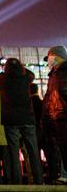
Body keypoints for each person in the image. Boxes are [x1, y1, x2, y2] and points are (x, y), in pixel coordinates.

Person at [0, 57, 43, 184]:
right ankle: (38, 181)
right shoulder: (26, 78)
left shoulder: (3, 78)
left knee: (13, 152)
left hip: (11, 120)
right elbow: (32, 74)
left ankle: (17, 181)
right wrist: (20, 67)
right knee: (33, 151)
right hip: (27, 118)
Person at [42, 46, 67, 184]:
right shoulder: (54, 74)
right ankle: (64, 174)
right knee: (63, 146)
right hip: (58, 117)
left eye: (50, 57)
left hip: (63, 115)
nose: (48, 61)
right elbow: (49, 97)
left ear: (57, 56)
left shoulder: (62, 72)